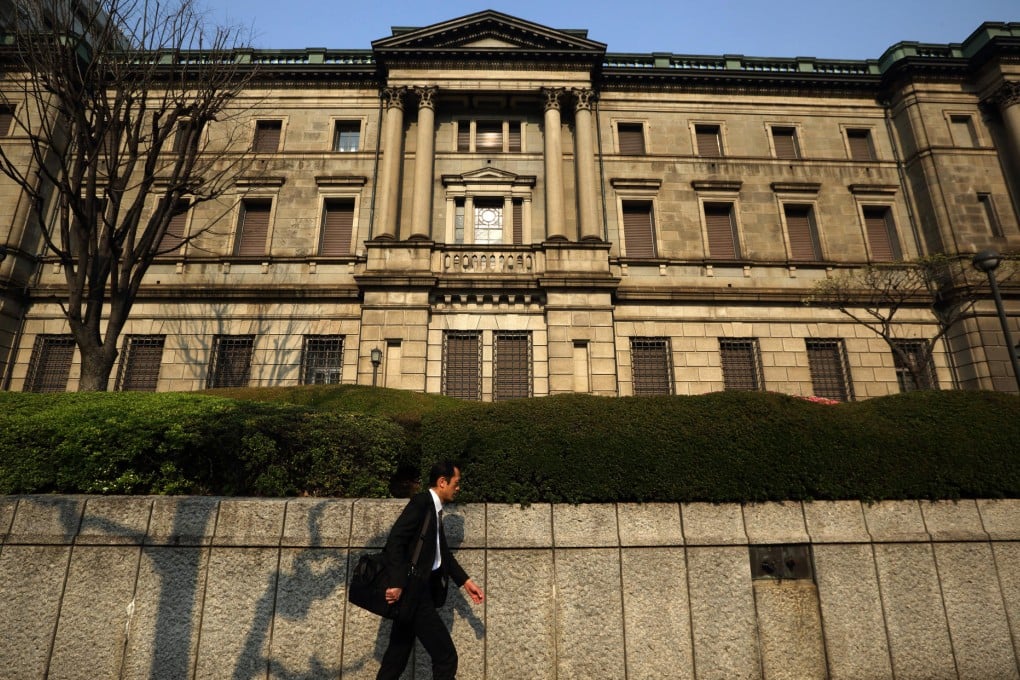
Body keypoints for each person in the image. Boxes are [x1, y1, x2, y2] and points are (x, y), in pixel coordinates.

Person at [376, 460, 485, 680]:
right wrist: (397, 582)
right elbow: (395, 540)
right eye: (456, 482)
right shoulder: (421, 503)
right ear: (442, 482)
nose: (458, 487)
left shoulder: (434, 510)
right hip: (414, 593)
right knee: (446, 657)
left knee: (395, 659)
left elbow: (441, 553)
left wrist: (465, 582)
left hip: (417, 591)